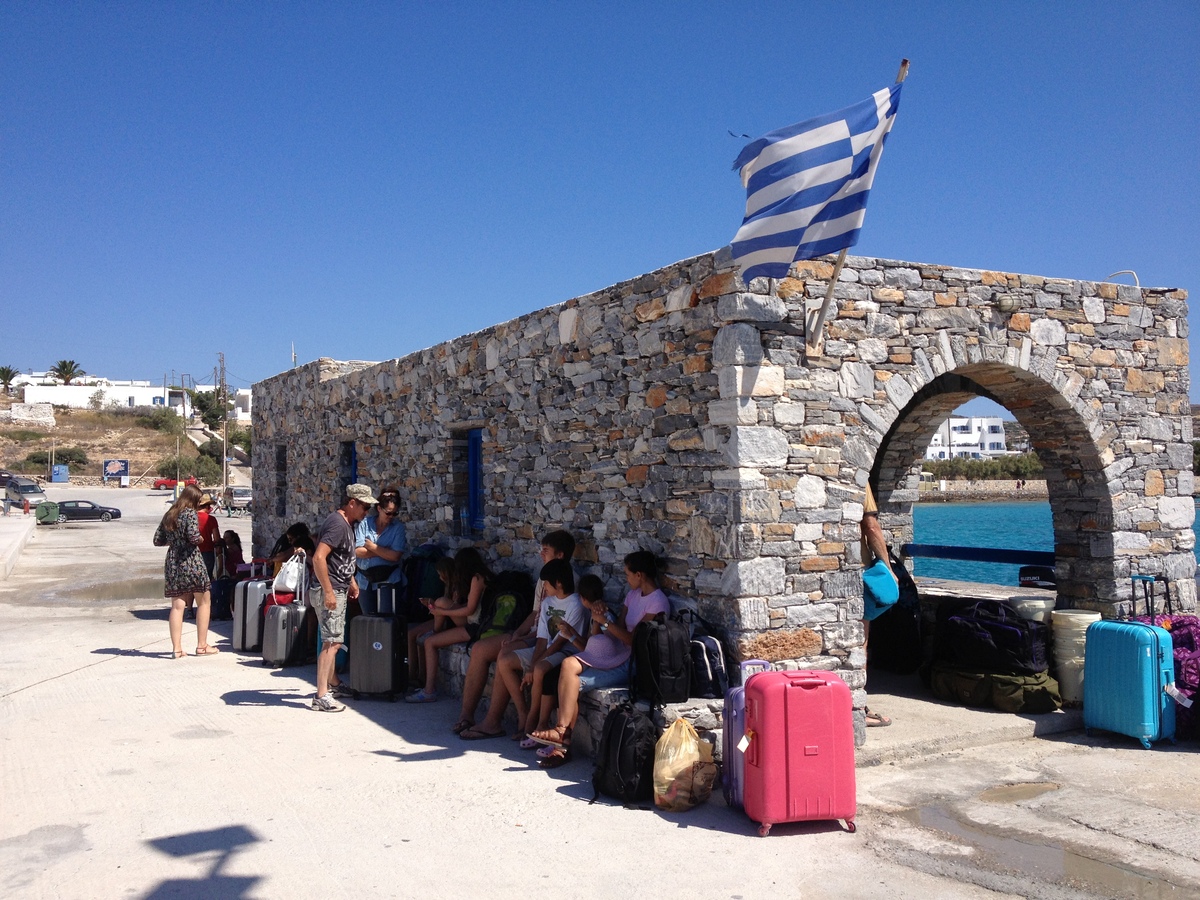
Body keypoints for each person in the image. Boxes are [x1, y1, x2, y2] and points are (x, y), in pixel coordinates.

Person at [530, 551, 669, 768]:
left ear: (639, 575)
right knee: (567, 665)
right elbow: (619, 627)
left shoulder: (658, 602)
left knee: (569, 681)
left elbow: (636, 641)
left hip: (632, 662)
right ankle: (561, 735)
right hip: (615, 653)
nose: (626, 579)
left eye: (628, 575)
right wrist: (600, 612)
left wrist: (604, 622)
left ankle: (561, 743)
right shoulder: (633, 596)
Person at [449, 529, 575, 735]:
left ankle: (494, 721)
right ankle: (466, 715)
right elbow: (535, 613)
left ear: (560, 555)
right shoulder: (544, 579)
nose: (541, 554)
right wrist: (517, 633)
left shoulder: (567, 580)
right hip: (533, 633)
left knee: (504, 656)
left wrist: (524, 637)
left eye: (546, 550)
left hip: (546, 639)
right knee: (480, 649)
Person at [310, 483, 377, 712]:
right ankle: (321, 695)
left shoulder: (346, 524)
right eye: (364, 506)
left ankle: (334, 683)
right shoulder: (338, 525)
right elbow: (319, 558)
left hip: (338, 586)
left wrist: (351, 580)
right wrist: (329, 591)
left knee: (332, 639)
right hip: (330, 590)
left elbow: (340, 560)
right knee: (332, 642)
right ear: (351, 503)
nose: (366, 512)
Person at [407, 547, 492, 703]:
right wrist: (441, 610)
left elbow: (470, 609)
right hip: (473, 623)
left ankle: (429, 690)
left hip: (476, 626)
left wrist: (443, 612)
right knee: (430, 641)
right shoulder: (480, 577)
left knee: (431, 638)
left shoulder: (478, 578)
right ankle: (427, 688)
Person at [153, 483, 217, 659]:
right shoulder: (190, 514)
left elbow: (157, 540)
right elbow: (194, 537)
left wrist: (175, 542)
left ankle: (177, 649)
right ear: (193, 499)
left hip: (173, 561)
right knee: (204, 601)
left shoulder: (169, 514)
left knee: (177, 605)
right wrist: (200, 538)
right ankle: (202, 646)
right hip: (191, 560)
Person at [860, 483, 893, 728]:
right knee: (860, 641)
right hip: (857, 574)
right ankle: (858, 707)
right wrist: (889, 568)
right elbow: (871, 525)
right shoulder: (859, 479)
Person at [353, 486, 407, 615]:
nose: (391, 516)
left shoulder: (398, 528)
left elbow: (395, 557)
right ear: (379, 509)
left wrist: (371, 547)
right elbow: (357, 551)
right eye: (388, 513)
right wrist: (384, 551)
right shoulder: (365, 524)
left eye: (395, 513)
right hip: (365, 581)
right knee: (369, 619)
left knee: (387, 620)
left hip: (388, 579)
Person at [407, 557, 457, 689]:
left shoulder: (457, 588)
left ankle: (421, 677)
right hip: (443, 617)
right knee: (412, 634)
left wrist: (434, 607)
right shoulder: (446, 587)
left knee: (422, 638)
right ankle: (412, 675)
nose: (439, 578)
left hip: (450, 620)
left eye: (441, 575)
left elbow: (449, 608)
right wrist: (430, 604)